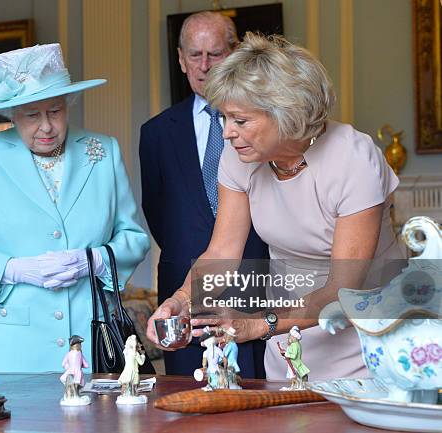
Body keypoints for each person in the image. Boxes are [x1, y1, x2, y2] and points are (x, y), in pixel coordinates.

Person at [146, 32, 405, 381]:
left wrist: (258, 324)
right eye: (224, 118)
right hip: (287, 332)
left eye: (240, 120)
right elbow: (222, 251)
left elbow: (344, 289)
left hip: (370, 334)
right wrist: (180, 300)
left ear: (286, 113)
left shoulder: (353, 158)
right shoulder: (239, 158)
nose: (226, 133)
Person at [0, 43, 150, 373]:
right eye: (32, 115)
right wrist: (16, 269)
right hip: (12, 346)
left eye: (55, 112)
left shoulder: (103, 151)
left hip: (90, 337)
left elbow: (133, 237)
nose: (47, 126)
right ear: (11, 115)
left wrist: (93, 261)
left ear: (68, 105)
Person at [139, 11, 268, 377]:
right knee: (187, 401)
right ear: (180, 59)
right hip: (187, 289)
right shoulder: (156, 133)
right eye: (194, 55)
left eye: (215, 54)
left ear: (236, 53)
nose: (205, 65)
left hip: (259, 285)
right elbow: (159, 214)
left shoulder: (264, 124)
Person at [279, 326, 310, 390]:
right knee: (293, 376)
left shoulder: (295, 345)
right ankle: (295, 386)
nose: (289, 337)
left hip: (295, 363)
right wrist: (285, 353)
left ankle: (298, 386)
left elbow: (294, 356)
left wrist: (286, 354)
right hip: (292, 363)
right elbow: (289, 354)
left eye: (290, 336)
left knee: (294, 376)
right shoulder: (294, 344)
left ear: (294, 337)